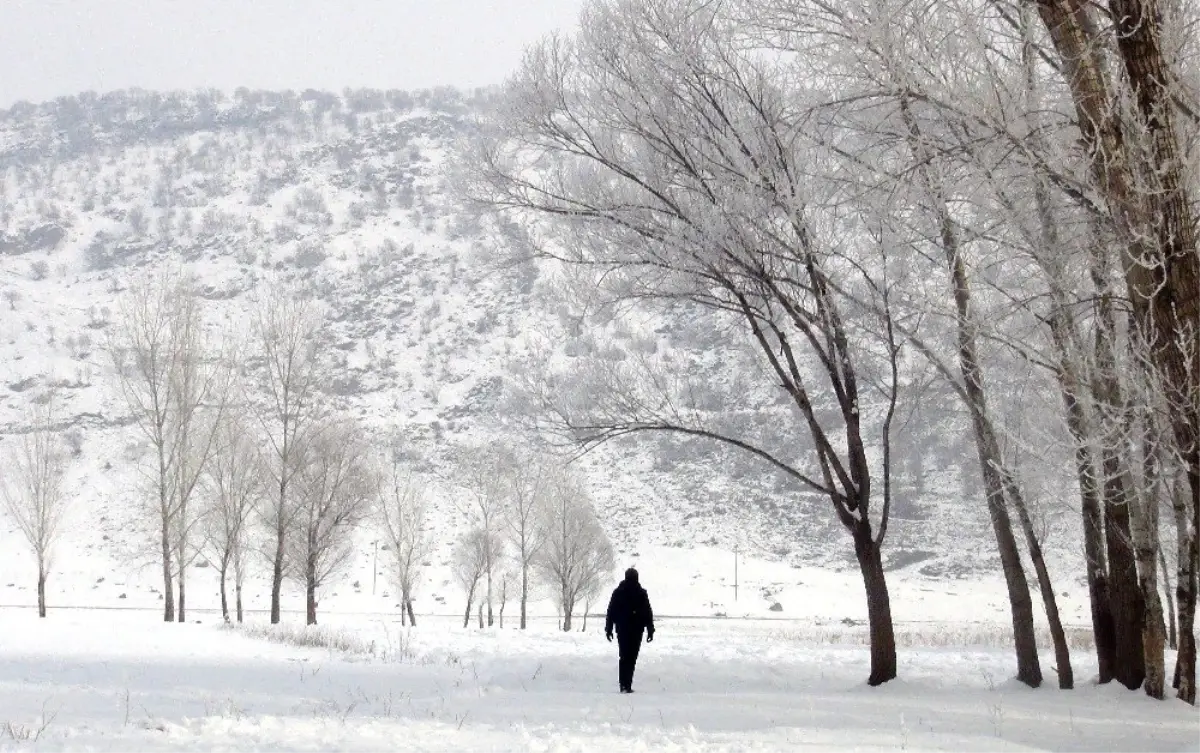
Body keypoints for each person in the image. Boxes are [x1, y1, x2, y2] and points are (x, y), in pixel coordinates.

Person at [605, 567, 655, 693]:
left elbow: (611, 611)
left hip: (622, 629)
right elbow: (647, 612)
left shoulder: (618, 592)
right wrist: (650, 629)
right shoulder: (641, 593)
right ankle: (627, 684)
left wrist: (609, 628)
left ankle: (623, 685)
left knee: (624, 656)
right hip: (636, 629)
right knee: (632, 657)